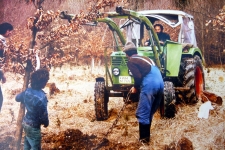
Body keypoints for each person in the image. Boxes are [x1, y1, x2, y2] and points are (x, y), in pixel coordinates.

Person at [123, 41, 164, 143]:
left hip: (150, 84)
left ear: (127, 54)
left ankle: (144, 141)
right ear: (136, 51)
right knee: (149, 112)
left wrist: (135, 87)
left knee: (143, 112)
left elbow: (138, 76)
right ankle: (147, 138)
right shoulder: (146, 58)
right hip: (160, 83)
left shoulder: (131, 61)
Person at [15, 68, 50, 149]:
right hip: (34, 126)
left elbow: (17, 98)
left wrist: (24, 94)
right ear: (42, 83)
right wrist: (46, 122)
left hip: (25, 123)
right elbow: (43, 114)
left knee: (27, 143)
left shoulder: (27, 91)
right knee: (35, 147)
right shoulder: (42, 97)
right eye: (46, 81)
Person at [0, 22, 13, 111]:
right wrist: (2, 74)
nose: (10, 32)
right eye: (9, 30)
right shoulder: (0, 43)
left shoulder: (3, 41)